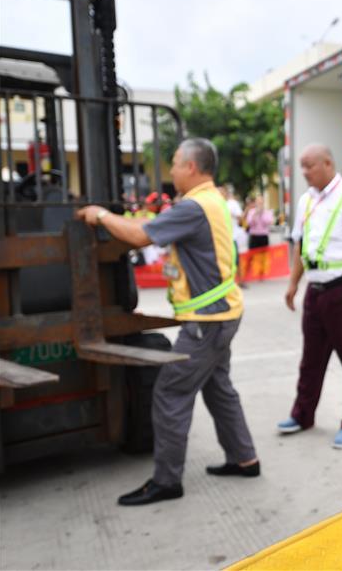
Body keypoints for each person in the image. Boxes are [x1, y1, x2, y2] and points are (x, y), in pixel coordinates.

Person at [77, 138, 260, 506]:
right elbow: (154, 223)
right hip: (221, 315)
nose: (171, 170)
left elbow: (140, 235)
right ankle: (245, 459)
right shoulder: (211, 200)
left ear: (191, 168)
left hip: (206, 322)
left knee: (170, 393)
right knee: (218, 387)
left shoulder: (194, 206)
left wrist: (100, 215)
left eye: (175, 163)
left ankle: (166, 481)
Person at [280, 143, 342, 449]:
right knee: (310, 360)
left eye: (309, 166)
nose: (303, 172)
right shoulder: (306, 201)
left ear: (328, 163)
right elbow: (301, 247)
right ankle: (302, 415)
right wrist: (293, 284)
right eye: (301, 166)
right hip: (315, 292)